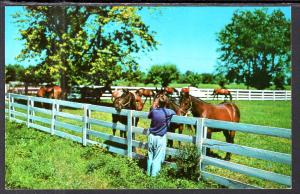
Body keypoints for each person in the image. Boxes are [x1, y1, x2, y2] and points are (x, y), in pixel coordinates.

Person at [145, 94, 176, 177]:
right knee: (157, 158)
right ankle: (154, 177)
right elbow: (175, 112)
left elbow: (149, 116)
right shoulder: (168, 112)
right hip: (160, 137)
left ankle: (148, 174)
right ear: (166, 103)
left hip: (151, 136)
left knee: (150, 156)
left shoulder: (154, 111)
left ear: (158, 102)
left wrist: (154, 106)